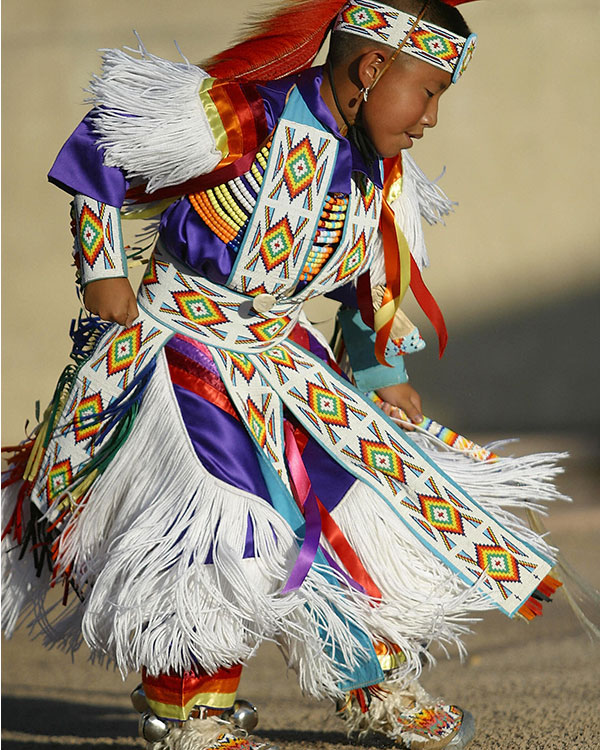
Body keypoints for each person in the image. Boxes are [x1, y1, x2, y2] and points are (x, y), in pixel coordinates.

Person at [1, 1, 568, 748]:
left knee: (355, 509)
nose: (430, 118)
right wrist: (103, 274)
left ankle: (374, 687)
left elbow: (373, 277)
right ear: (372, 68)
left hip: (288, 361)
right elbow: (101, 147)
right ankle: (193, 717)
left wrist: (375, 364)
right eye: (429, 91)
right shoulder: (243, 117)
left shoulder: (377, 168)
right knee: (217, 528)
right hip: (189, 353)